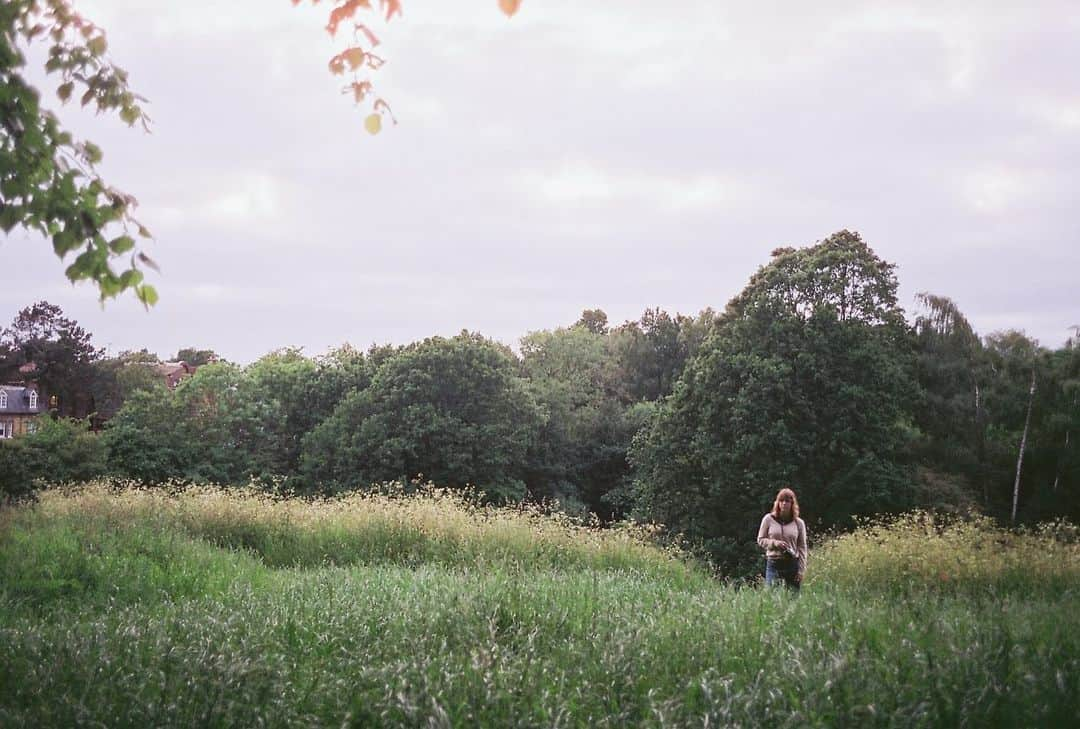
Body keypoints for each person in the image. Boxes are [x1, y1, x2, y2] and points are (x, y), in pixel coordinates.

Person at [757, 488, 807, 590]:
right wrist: (774, 543)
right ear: (777, 503)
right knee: (771, 598)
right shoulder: (768, 519)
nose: (784, 504)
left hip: (792, 564)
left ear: (792, 504)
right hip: (774, 564)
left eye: (787, 501)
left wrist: (801, 570)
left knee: (793, 600)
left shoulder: (799, 523)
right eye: (781, 500)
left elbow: (802, 547)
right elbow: (760, 539)